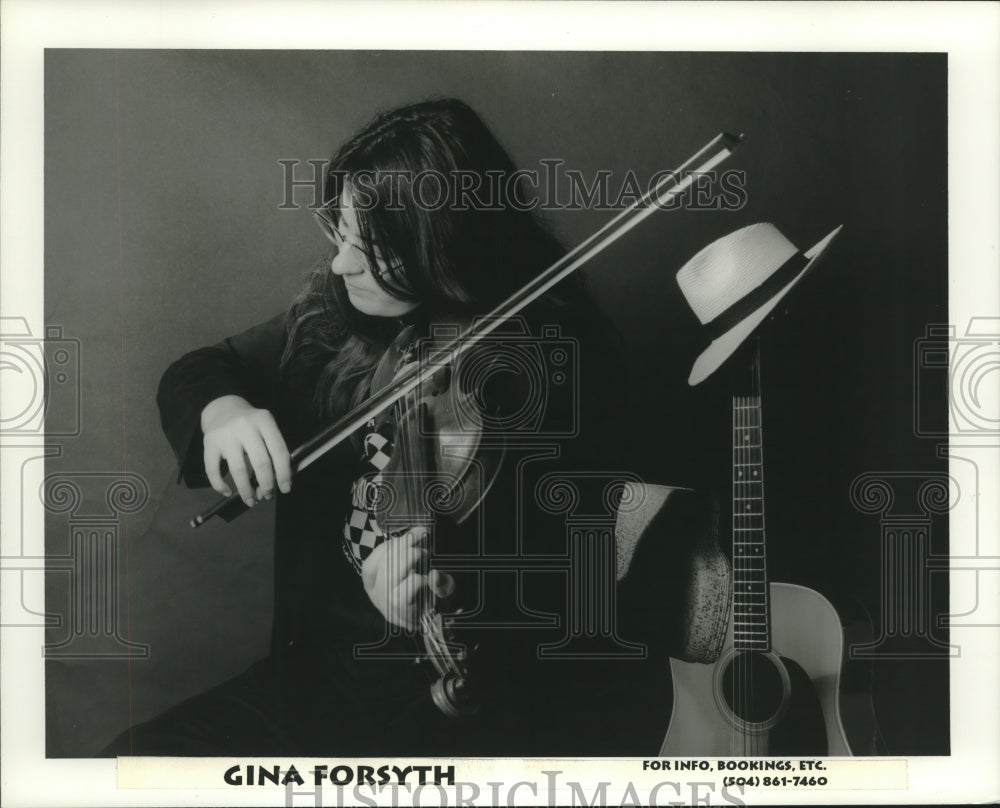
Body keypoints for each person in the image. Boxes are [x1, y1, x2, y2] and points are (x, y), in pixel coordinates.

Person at [105, 98, 663, 757]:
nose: (343, 265)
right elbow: (203, 368)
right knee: (123, 771)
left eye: (371, 251)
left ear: (444, 245)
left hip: (461, 705)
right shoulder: (333, 318)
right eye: (340, 235)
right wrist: (223, 410)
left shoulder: (556, 368)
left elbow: (577, 577)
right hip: (313, 677)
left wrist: (451, 600)